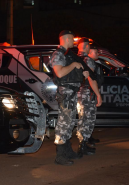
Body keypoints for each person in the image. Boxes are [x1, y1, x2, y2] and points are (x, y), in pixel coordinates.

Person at [49, 30, 89, 166]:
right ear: (66, 39)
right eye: (72, 39)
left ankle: (67, 151)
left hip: (71, 93)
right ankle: (60, 156)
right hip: (65, 93)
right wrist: (73, 65)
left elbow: (71, 72)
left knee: (70, 122)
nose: (74, 41)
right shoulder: (58, 54)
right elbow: (59, 73)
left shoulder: (69, 55)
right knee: (64, 124)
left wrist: (81, 71)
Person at [76, 38, 102, 157]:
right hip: (87, 93)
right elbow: (91, 79)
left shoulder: (74, 58)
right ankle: (83, 146)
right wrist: (98, 95)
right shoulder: (88, 60)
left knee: (82, 119)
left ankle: (83, 143)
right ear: (87, 47)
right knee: (87, 120)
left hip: (77, 94)